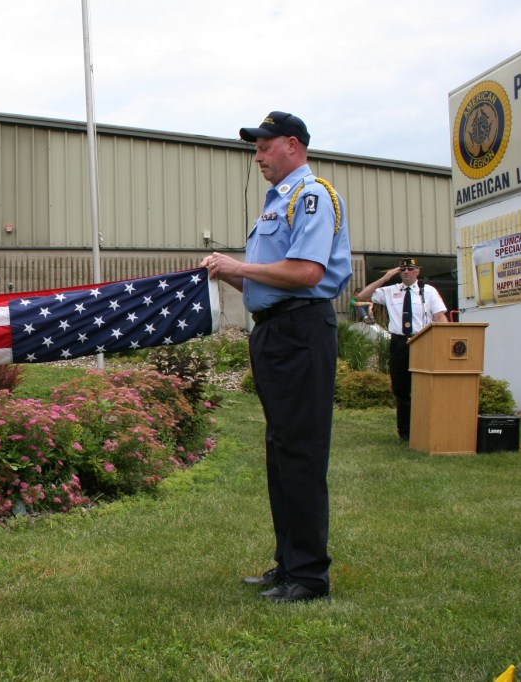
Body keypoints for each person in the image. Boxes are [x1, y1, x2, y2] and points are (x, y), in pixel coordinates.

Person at [202, 111, 352, 603]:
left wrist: (239, 264)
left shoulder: (313, 196)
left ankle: (309, 576)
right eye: (256, 147)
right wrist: (225, 273)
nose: (258, 155)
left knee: (301, 452)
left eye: (265, 145)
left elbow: (307, 272)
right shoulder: (276, 205)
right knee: (281, 449)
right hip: (273, 332)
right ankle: (287, 564)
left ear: (293, 144)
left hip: (301, 331)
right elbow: (265, 278)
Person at [355, 256, 448, 441]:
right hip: (399, 342)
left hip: (422, 340)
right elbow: (361, 296)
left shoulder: (427, 291)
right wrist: (385, 278)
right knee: (401, 388)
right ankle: (405, 432)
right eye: (402, 270)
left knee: (425, 386)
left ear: (417, 271)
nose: (406, 272)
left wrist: (444, 341)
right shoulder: (391, 291)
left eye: (410, 269)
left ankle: (426, 428)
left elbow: (440, 317)